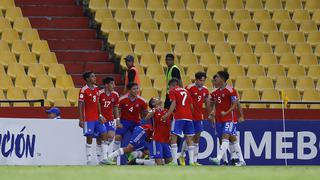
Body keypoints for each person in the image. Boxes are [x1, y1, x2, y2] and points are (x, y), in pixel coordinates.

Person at [208, 71, 246, 166]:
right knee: (232, 139)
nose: (214, 80)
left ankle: (218, 158)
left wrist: (238, 115)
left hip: (229, 118)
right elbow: (213, 103)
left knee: (225, 137)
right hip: (219, 119)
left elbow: (235, 103)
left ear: (221, 78)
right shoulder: (215, 92)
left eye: (216, 78)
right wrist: (212, 112)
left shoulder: (231, 90)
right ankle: (241, 161)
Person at [161, 78, 195, 165]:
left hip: (179, 116)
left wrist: (167, 115)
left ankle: (174, 161)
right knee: (189, 139)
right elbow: (191, 106)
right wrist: (190, 115)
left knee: (173, 137)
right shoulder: (186, 91)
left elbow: (173, 103)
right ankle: (191, 162)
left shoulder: (173, 91)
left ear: (172, 85)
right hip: (189, 117)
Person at [179, 72, 210, 165]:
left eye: (204, 80)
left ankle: (195, 161)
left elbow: (207, 102)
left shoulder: (206, 90)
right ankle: (182, 156)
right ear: (196, 79)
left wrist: (209, 114)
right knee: (189, 137)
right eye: (200, 80)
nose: (202, 82)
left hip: (199, 116)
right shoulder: (189, 88)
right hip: (190, 116)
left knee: (197, 138)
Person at [78, 71, 108, 165]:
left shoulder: (96, 89)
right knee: (89, 138)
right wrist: (81, 119)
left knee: (104, 135)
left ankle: (104, 158)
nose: (95, 78)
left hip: (97, 118)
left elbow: (98, 102)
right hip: (88, 119)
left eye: (95, 76)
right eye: (93, 76)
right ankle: (89, 160)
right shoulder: (83, 90)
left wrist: (100, 114)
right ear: (87, 79)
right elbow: (80, 104)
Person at [113, 82, 148, 157]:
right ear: (129, 90)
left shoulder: (142, 101)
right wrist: (118, 122)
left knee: (141, 138)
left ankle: (137, 155)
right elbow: (118, 111)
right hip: (124, 121)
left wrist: (143, 123)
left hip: (136, 122)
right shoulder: (122, 99)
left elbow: (145, 114)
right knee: (117, 137)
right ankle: (113, 157)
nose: (136, 91)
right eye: (134, 89)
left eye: (137, 88)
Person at [96, 77, 121, 162]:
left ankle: (103, 156)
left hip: (110, 119)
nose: (114, 85)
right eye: (112, 83)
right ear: (106, 85)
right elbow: (95, 106)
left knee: (110, 136)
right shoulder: (99, 93)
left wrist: (117, 118)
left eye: (114, 83)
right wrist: (99, 115)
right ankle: (102, 158)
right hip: (100, 119)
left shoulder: (115, 95)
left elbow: (115, 107)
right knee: (101, 137)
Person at [145, 97, 172, 165]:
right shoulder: (153, 111)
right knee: (158, 160)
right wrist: (154, 110)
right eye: (156, 99)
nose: (159, 99)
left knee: (169, 160)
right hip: (157, 139)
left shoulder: (166, 111)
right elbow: (146, 118)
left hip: (166, 139)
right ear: (153, 103)